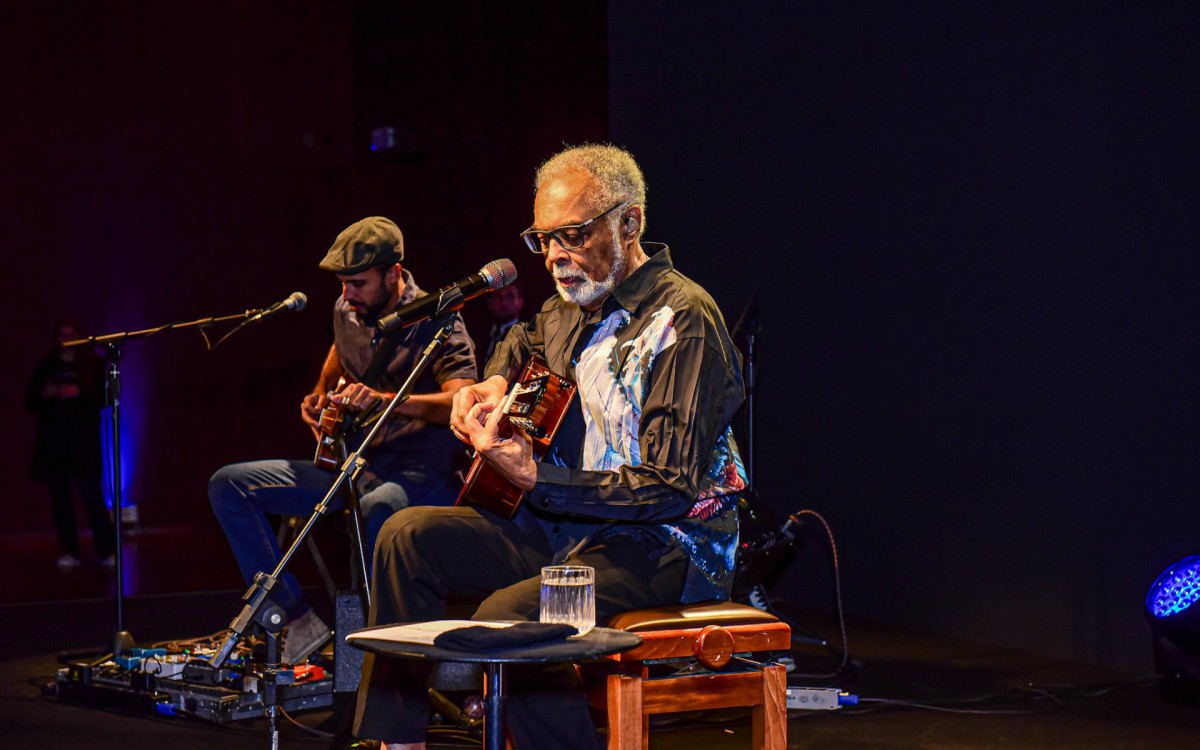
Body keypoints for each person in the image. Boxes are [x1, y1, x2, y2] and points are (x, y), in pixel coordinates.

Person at [353, 145, 748, 750]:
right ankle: (396, 742)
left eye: (573, 235)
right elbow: (522, 342)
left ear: (629, 224)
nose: (557, 257)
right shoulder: (566, 309)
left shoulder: (684, 319)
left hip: (662, 545)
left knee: (504, 617)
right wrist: (490, 383)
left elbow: (669, 488)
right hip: (565, 529)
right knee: (407, 537)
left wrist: (539, 480)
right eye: (544, 240)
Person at [208, 217, 478, 665]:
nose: (347, 295)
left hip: (420, 469)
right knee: (229, 484)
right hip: (355, 464)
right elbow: (339, 353)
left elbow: (460, 400)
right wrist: (318, 395)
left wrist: (388, 400)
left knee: (379, 510)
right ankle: (295, 620)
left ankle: (390, 660)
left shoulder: (440, 319)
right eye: (342, 285)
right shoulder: (346, 310)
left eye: (358, 283)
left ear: (393, 273)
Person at [24, 318, 117, 571]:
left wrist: (79, 393)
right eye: (61, 334)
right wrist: (48, 394)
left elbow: (104, 398)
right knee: (61, 500)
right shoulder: (46, 367)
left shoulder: (92, 365)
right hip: (54, 444)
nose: (66, 339)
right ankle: (70, 551)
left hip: (83, 443)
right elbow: (30, 401)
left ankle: (107, 550)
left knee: (92, 497)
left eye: (71, 333)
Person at [480, 278, 524, 365]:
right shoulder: (480, 333)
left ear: (520, 301)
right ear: (489, 303)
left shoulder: (524, 336)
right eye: (497, 297)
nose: (504, 302)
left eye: (510, 297)